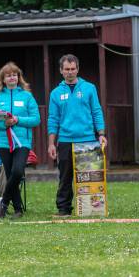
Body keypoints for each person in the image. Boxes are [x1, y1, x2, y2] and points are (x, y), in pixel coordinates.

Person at [48, 54, 107, 217]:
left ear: (78, 69)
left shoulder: (89, 88)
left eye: (73, 69)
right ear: (61, 70)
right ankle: (64, 208)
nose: (70, 72)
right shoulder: (55, 93)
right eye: (66, 69)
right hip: (65, 140)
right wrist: (51, 143)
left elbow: (97, 111)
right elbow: (53, 119)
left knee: (91, 177)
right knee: (65, 177)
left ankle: (93, 209)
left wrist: (101, 133)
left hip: (88, 139)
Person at [0, 62, 41, 218]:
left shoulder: (27, 96)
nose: (12, 77)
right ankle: (18, 210)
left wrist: (18, 120)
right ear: (3, 79)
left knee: (17, 171)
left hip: (22, 142)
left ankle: (3, 202)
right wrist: (4, 123)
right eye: (8, 75)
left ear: (19, 77)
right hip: (3, 143)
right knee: (11, 174)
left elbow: (36, 119)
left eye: (15, 75)